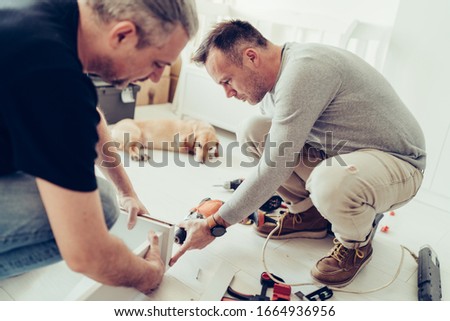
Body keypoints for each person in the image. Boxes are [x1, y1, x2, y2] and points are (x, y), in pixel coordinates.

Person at [170, 20, 426, 287]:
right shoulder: (272, 86)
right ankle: (310, 215)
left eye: (227, 80)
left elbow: (275, 167)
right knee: (252, 130)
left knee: (329, 181)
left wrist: (215, 224)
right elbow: (278, 153)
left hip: (399, 164)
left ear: (251, 57)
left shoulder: (303, 71)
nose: (228, 93)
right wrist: (242, 199)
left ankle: (355, 245)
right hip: (343, 154)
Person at [0, 0, 198, 295]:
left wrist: (127, 192)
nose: (156, 78)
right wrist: (149, 275)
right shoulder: (52, 74)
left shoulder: (57, 17)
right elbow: (87, 253)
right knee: (100, 207)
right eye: (158, 64)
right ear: (122, 35)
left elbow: (88, 116)